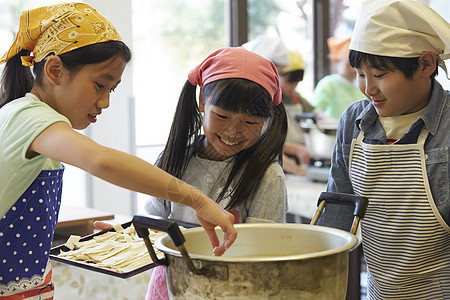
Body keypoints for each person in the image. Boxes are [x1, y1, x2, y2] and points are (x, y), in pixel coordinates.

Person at [0, 3, 236, 299]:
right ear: (55, 70)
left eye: (111, 90)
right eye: (100, 85)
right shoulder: (26, 116)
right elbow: (101, 161)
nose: (105, 102)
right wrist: (197, 199)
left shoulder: (37, 122)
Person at [327, 0, 450, 298]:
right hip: (379, 292)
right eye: (360, 74)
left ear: (425, 64)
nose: (368, 89)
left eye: (379, 75)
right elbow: (337, 214)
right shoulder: (354, 122)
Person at [144, 46, 288, 299]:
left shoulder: (267, 176)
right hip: (170, 285)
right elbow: (154, 226)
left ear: (267, 120)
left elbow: (265, 249)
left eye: (250, 122)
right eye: (221, 116)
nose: (233, 132)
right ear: (202, 102)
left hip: (234, 289)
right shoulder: (176, 159)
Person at [243, 32, 313, 175]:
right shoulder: (250, 99)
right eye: (275, 72)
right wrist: (296, 168)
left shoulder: (269, 96)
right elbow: (261, 142)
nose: (274, 79)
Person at [312, 36, 365, 121]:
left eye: (356, 66)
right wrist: (335, 123)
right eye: (348, 64)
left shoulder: (361, 86)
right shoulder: (329, 83)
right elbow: (316, 110)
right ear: (336, 61)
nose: (353, 69)